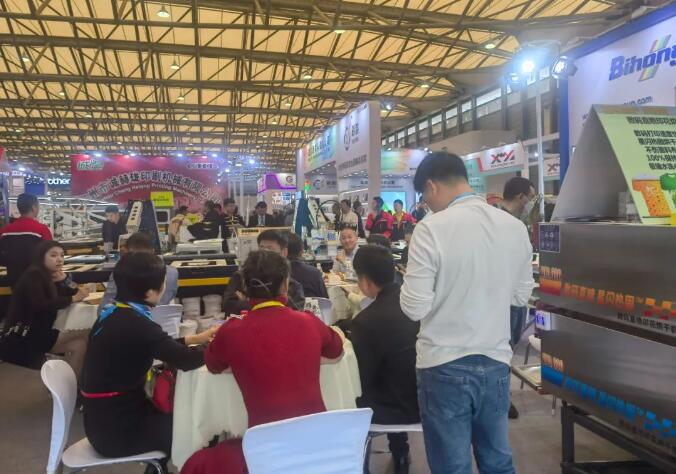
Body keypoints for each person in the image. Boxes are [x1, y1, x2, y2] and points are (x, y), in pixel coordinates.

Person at [400, 152, 534, 474]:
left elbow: (414, 307)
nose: (427, 204)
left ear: (431, 186)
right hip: (496, 360)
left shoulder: (430, 229)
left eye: (424, 197)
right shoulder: (514, 227)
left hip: (442, 363)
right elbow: (520, 296)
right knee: (497, 461)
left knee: (452, 465)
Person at [182, 250, 345, 473]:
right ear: (285, 284)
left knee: (197, 463)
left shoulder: (232, 331)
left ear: (245, 287)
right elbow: (336, 351)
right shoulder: (308, 321)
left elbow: (213, 364)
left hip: (265, 452)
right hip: (317, 446)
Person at [81, 252, 217, 473]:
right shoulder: (137, 324)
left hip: (104, 421)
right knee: (204, 429)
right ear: (151, 292)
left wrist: (196, 339)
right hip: (120, 430)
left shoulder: (114, 313)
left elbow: (153, 345)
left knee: (182, 421)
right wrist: (222, 345)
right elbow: (186, 360)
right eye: (163, 282)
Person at [349, 245, 420, 474]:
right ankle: (400, 455)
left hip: (389, 409)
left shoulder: (365, 321)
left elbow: (363, 377)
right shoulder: (418, 306)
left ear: (365, 281)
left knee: (355, 392)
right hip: (428, 400)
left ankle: (362, 465)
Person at [0, 241, 90, 373]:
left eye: (62, 255)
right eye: (53, 255)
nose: (59, 259)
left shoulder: (48, 275)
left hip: (38, 332)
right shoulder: (34, 275)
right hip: (26, 336)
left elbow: (75, 291)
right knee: (86, 334)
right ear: (41, 257)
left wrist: (65, 280)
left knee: (80, 345)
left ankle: (68, 382)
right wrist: (73, 298)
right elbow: (40, 304)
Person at [498, 176, 537, 420]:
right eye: (530, 198)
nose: (531, 203)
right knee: (503, 351)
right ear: (520, 197)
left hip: (508, 298)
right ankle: (502, 398)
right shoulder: (507, 224)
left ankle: (502, 396)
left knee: (505, 351)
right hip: (508, 300)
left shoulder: (504, 221)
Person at [222, 230, 304, 315]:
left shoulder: (293, 285)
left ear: (284, 252)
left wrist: (249, 302)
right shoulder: (242, 276)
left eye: (270, 249)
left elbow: (296, 312)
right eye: (261, 248)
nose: (264, 253)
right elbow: (227, 305)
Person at [99, 232, 179, 313]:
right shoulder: (172, 273)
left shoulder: (123, 272)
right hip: (163, 319)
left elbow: (103, 308)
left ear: (127, 252)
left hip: (129, 318)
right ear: (153, 251)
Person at [0, 193, 53, 287]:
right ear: (33, 207)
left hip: (14, 280)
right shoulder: (41, 229)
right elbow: (51, 254)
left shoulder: (4, 231)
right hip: (37, 280)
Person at [286, 232, 328, 298]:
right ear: (301, 251)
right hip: (311, 304)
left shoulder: (277, 273)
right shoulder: (314, 273)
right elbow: (324, 299)